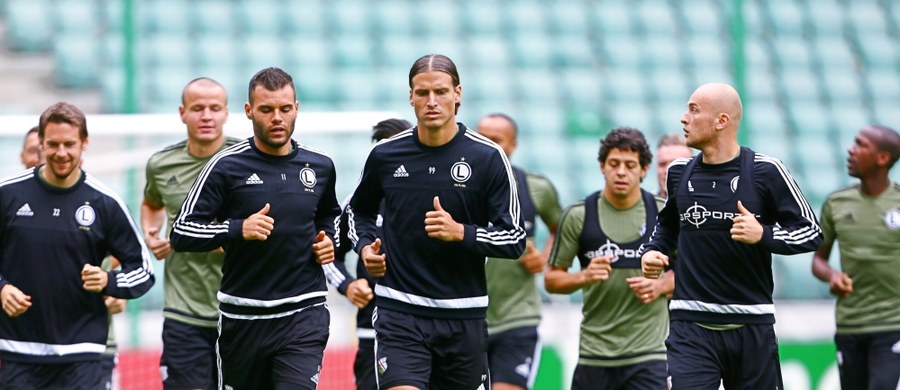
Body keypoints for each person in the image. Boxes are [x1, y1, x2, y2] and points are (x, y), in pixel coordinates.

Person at [347, 54, 526, 390]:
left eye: (441, 91)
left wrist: (461, 232)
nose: (432, 101)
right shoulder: (386, 156)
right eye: (422, 92)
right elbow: (357, 213)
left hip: (463, 316)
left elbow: (513, 238)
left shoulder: (487, 157)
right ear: (411, 96)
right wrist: (363, 247)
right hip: (399, 312)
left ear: (457, 93)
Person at [641, 83, 822, 389]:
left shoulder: (766, 171)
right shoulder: (679, 173)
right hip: (690, 327)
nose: (684, 118)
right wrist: (652, 250)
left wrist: (762, 234)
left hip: (751, 326)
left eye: (694, 110)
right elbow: (668, 226)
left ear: (721, 121)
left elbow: (811, 232)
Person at [170, 67, 340, 390]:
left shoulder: (320, 167)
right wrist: (237, 229)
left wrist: (329, 239)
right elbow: (182, 232)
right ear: (249, 112)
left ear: (296, 109)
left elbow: (330, 217)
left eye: (284, 109)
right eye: (266, 109)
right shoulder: (225, 167)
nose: (277, 117)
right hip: (243, 319)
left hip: (303, 315)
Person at [0, 102, 155, 388]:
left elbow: (143, 270)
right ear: (41, 146)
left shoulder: (105, 203)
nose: (61, 153)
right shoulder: (8, 195)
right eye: (53, 144)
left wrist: (109, 280)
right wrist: (2, 288)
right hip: (18, 352)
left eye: (69, 144)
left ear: (85, 143)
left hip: (82, 354)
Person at [544, 127, 668, 389]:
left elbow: (692, 272)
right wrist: (584, 276)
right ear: (602, 166)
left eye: (630, 165)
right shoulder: (578, 215)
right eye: (614, 164)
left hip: (649, 353)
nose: (621, 171)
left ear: (644, 169)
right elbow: (552, 280)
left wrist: (661, 285)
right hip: (595, 354)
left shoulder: (663, 214)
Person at [142, 77, 240, 389]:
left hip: (240, 309)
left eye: (214, 108)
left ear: (227, 113)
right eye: (198, 108)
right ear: (182, 112)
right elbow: (151, 203)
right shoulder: (161, 164)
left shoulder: (246, 160)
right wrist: (151, 234)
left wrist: (194, 240)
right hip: (184, 311)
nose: (207, 116)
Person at [19, 122, 128, 389]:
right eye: (38, 149)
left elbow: (127, 263)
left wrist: (114, 288)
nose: (45, 155)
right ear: (24, 156)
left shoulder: (98, 204)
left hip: (89, 346)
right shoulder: (10, 206)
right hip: (21, 345)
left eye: (65, 145)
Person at [476, 112, 562, 390]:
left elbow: (561, 229)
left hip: (517, 316)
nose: (488, 145)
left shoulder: (535, 188)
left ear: (513, 145)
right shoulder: (456, 186)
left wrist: (546, 257)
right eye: (482, 138)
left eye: (496, 140)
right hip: (467, 316)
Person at [810, 125, 900, 390]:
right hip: (850, 325)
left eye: (861, 145)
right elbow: (818, 260)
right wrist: (832, 275)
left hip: (892, 323)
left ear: (882, 158)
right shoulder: (837, 203)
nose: (851, 150)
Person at [325, 117, 411, 390]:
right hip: (373, 331)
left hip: (427, 329)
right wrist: (348, 285)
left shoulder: (433, 199)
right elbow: (328, 254)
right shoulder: (356, 203)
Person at [655, 133, 692, 200]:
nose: (667, 170)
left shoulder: (705, 205)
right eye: (662, 164)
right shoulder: (645, 206)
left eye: (675, 164)